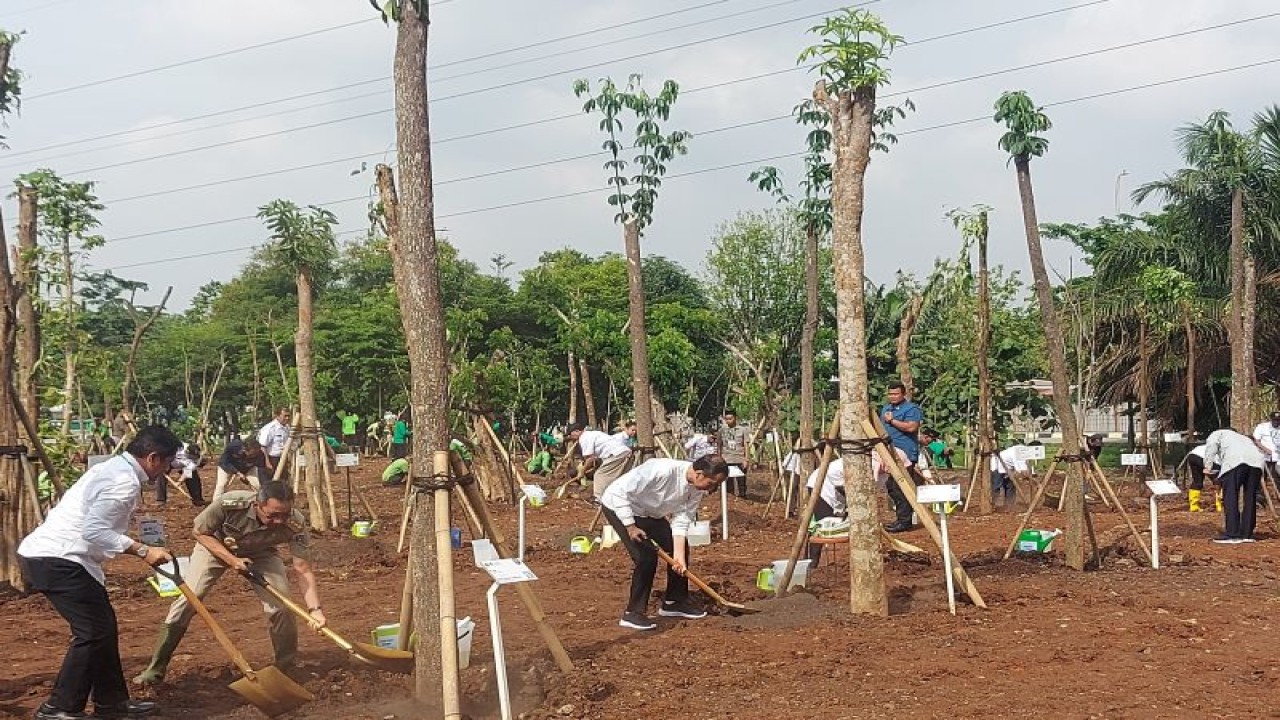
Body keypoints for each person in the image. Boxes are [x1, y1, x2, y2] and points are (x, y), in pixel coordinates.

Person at [19, 426, 181, 720]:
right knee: (92, 633)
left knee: (102, 630)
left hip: (61, 557)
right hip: (59, 559)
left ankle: (111, 703)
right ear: (153, 458)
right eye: (168, 462)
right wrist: (143, 550)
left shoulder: (114, 468)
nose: (168, 470)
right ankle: (59, 707)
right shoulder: (123, 482)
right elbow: (93, 531)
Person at [133, 481, 325, 686]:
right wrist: (232, 560)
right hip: (214, 548)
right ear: (257, 504)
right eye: (272, 515)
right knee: (189, 600)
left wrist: (315, 610)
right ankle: (156, 668)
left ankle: (285, 668)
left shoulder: (296, 522)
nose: (279, 521)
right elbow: (200, 532)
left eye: (284, 515)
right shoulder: (230, 503)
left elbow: (303, 568)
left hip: (261, 553)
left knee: (282, 607)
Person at [600, 455, 729, 630]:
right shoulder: (659, 470)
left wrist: (678, 557)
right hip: (620, 507)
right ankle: (633, 613)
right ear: (699, 474)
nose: (712, 489)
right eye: (712, 483)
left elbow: (682, 519)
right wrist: (630, 526)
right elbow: (620, 493)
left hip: (651, 513)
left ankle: (674, 602)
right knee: (646, 558)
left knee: (679, 547)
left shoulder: (696, 489)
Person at [1202, 428, 1265, 544]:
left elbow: (1211, 446)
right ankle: (1247, 534)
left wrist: (1207, 466)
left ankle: (1232, 534)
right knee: (1250, 497)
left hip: (1236, 461)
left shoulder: (1217, 433)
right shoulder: (1243, 437)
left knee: (1230, 497)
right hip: (1257, 463)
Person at [880, 382, 924, 533]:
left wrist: (892, 421)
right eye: (890, 394)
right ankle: (902, 519)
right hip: (889, 452)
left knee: (901, 487)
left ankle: (905, 522)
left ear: (903, 394)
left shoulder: (911, 409)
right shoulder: (886, 409)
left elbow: (912, 427)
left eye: (896, 394)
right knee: (892, 487)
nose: (892, 397)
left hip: (906, 453)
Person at [567, 422, 635, 500]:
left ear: (577, 431)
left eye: (571, 434)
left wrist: (582, 471)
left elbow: (589, 458)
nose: (571, 437)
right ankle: (621, 497)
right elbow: (594, 457)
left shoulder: (584, 438)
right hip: (625, 452)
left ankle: (598, 499)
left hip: (616, 454)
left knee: (599, 476)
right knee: (621, 477)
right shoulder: (592, 434)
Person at [163, 442, 208, 507]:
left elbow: (187, 471)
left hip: (183, 466)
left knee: (193, 476)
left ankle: (197, 500)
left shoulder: (197, 459)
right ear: (187, 452)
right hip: (169, 461)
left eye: (194, 457)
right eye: (191, 457)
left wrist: (179, 482)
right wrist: (164, 465)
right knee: (160, 476)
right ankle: (161, 501)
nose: (193, 458)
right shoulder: (177, 446)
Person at [717, 411, 750, 498]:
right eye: (726, 419)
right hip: (726, 459)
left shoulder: (743, 430)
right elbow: (719, 445)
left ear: (735, 418)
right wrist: (719, 458)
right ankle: (730, 498)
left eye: (730, 418)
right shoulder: (722, 430)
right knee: (728, 482)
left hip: (739, 458)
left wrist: (746, 459)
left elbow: (746, 445)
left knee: (741, 481)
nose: (728, 421)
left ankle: (742, 497)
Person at [990, 444, 1030, 509]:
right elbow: (1019, 469)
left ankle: (1009, 505)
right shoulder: (1019, 451)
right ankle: (992, 505)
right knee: (996, 486)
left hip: (1008, 467)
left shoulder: (1024, 452)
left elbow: (1025, 466)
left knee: (1010, 486)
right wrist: (1025, 475)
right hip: (997, 465)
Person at [257, 408, 292, 480]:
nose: (287, 418)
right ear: (277, 416)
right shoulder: (270, 428)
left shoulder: (287, 428)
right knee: (270, 482)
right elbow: (263, 446)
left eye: (288, 416)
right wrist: (267, 462)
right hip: (270, 459)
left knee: (282, 481)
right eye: (285, 416)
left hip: (281, 459)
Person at [1252, 411, 1280, 493]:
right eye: (1275, 420)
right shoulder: (1262, 427)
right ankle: (1261, 494)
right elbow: (1256, 440)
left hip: (1277, 457)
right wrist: (1264, 449)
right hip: (1264, 456)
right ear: (1271, 419)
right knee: (1261, 476)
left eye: (1278, 420)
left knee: (1276, 477)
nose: (1276, 422)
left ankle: (1276, 493)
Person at [1184, 443, 1215, 512]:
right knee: (1218, 481)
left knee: (1197, 481)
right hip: (1204, 457)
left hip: (1193, 455)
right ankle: (1220, 505)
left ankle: (1194, 506)